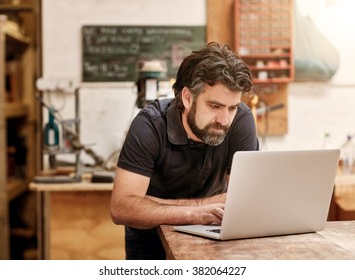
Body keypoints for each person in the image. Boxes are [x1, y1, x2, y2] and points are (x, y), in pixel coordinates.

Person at [110, 42, 259, 260]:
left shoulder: (241, 119)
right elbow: (122, 208)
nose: (225, 120)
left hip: (213, 231)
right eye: (215, 106)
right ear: (188, 98)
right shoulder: (149, 125)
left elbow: (245, 198)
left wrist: (155, 204)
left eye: (232, 108)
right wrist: (194, 212)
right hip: (150, 238)